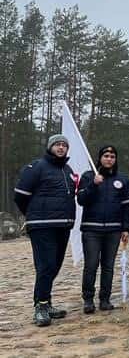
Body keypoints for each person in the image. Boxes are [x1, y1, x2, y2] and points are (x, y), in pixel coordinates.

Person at [14, 134, 77, 326]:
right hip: (42, 225)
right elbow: (20, 195)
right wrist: (33, 214)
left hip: (63, 224)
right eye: (57, 145)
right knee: (46, 265)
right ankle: (40, 307)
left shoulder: (67, 169)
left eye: (64, 145)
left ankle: (46, 302)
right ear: (50, 147)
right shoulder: (37, 167)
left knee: (54, 266)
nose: (60, 148)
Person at [77, 145, 129, 313]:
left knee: (108, 266)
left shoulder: (122, 180)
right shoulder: (88, 176)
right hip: (91, 229)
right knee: (91, 265)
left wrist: (126, 228)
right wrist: (93, 184)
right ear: (100, 158)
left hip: (114, 230)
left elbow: (126, 206)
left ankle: (105, 299)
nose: (109, 159)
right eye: (106, 155)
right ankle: (88, 299)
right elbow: (81, 200)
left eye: (112, 156)